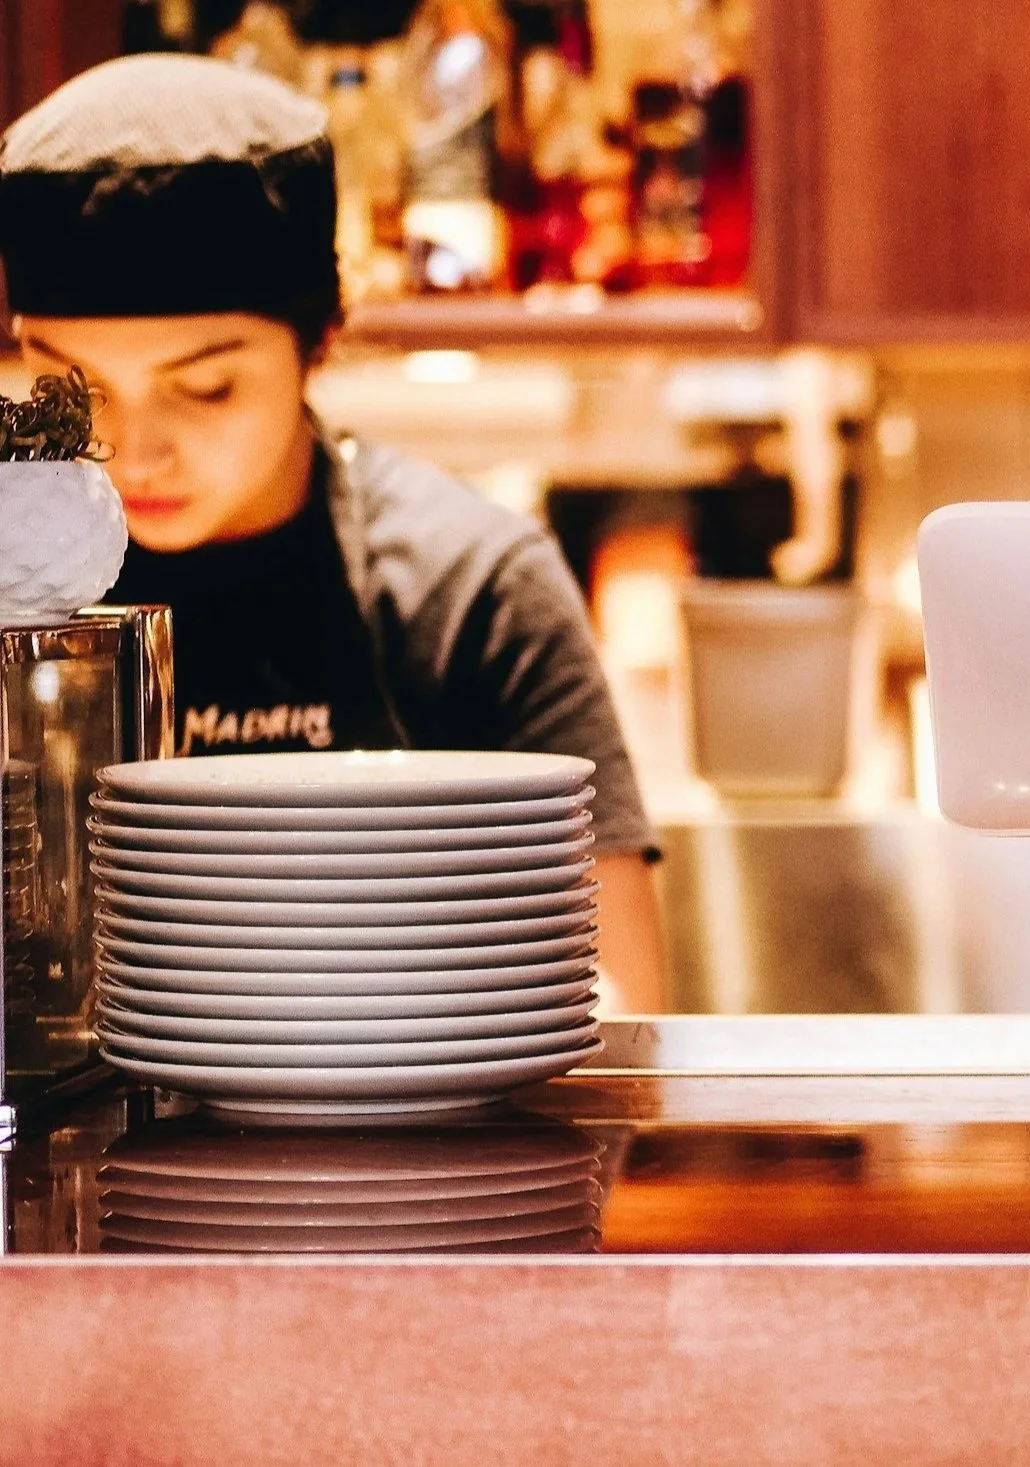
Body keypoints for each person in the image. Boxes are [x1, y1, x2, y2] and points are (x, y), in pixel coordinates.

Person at [0, 53, 667, 1010]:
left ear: (319, 341)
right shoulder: (16, 593)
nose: (133, 450)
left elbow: (623, 999)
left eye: (205, 387)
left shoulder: (474, 591)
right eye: (75, 388)